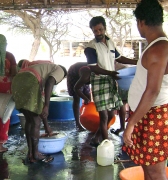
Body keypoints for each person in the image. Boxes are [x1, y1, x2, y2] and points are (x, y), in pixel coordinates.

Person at [123, 0, 168, 179]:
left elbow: (152, 91)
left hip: (154, 116)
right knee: (148, 169)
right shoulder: (157, 46)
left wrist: (131, 124)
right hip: (147, 114)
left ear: (141, 22)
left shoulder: (158, 48)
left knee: (155, 172)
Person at [84, 16, 137, 145]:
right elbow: (94, 68)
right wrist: (110, 73)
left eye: (100, 30)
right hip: (99, 82)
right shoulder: (90, 48)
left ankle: (96, 138)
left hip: (111, 80)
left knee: (112, 115)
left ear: (105, 28)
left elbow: (120, 58)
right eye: (95, 31)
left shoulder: (110, 42)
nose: (98, 33)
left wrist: (138, 62)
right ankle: (106, 144)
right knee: (104, 116)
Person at [12, 62, 67, 163]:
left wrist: (47, 128)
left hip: (17, 81)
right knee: (36, 122)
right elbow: (50, 82)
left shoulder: (44, 70)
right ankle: (36, 154)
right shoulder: (60, 70)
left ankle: (31, 153)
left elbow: (40, 110)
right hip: (29, 80)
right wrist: (47, 105)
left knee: (30, 120)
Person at [67, 62, 91, 130]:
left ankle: (89, 119)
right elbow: (76, 88)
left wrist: (87, 98)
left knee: (88, 96)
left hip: (84, 73)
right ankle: (78, 124)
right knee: (76, 98)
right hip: (73, 73)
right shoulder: (85, 76)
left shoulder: (98, 74)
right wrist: (84, 98)